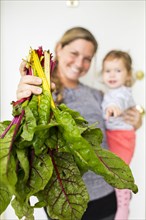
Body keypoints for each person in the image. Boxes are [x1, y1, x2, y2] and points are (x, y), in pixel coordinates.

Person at [17, 27, 142, 220]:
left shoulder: (97, 94)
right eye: (74, 53)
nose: (79, 63)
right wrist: (23, 101)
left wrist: (137, 119)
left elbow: (115, 126)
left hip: (106, 198)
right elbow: (29, 138)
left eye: (87, 58)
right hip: (64, 200)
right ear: (59, 48)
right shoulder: (41, 92)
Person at [101, 50, 137, 220]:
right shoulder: (107, 93)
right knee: (113, 171)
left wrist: (114, 108)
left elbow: (119, 102)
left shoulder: (123, 92)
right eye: (108, 71)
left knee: (119, 173)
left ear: (128, 74)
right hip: (113, 136)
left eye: (118, 70)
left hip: (122, 138)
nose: (112, 75)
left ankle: (123, 208)